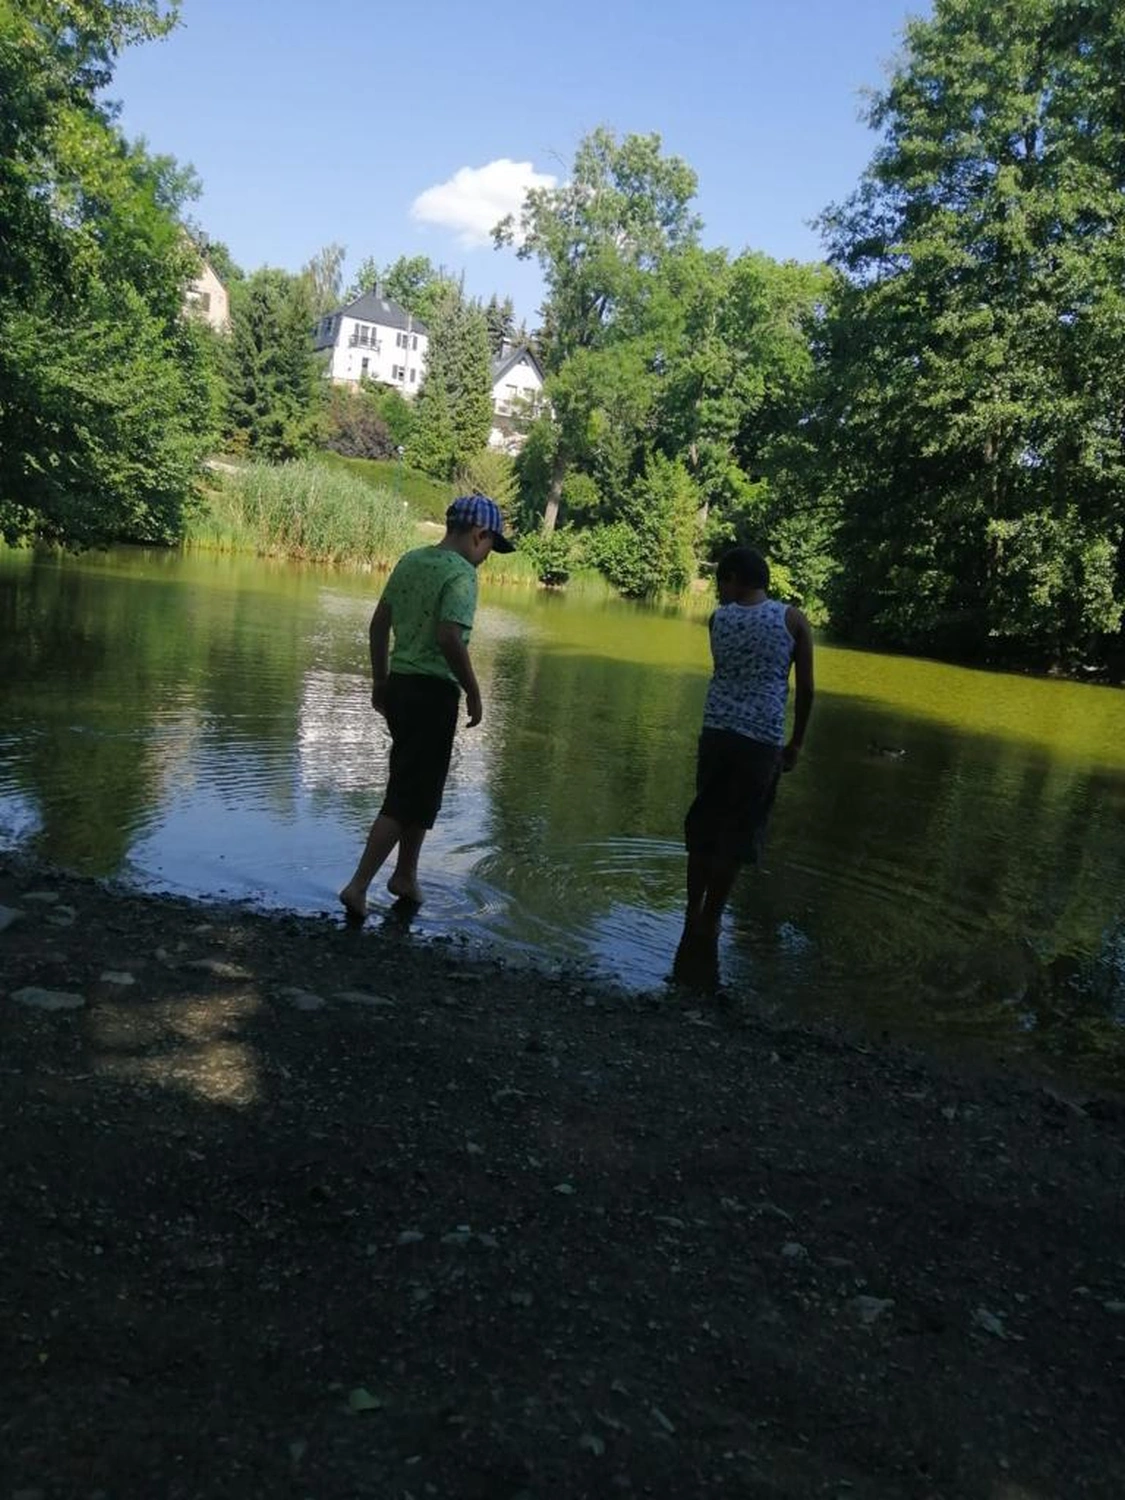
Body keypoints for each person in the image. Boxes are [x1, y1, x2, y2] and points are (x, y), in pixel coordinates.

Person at [339, 493, 514, 920]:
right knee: (405, 795)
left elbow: (379, 623)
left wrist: (380, 679)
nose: (489, 556)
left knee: (422, 787)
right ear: (478, 535)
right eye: (492, 546)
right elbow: (449, 636)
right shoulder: (463, 575)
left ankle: (406, 875)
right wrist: (473, 689)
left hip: (399, 685)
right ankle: (358, 885)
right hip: (433, 694)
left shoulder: (411, 560)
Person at [676, 546, 814, 981]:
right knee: (737, 832)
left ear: (735, 579)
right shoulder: (793, 620)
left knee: (705, 825)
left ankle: (690, 913)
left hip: (716, 733)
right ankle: (712, 921)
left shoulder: (720, 619)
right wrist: (796, 743)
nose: (721, 590)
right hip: (761, 743)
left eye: (723, 582)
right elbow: (807, 690)